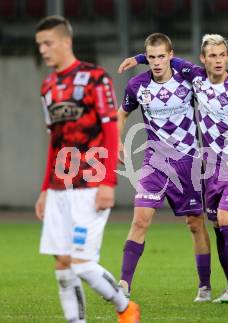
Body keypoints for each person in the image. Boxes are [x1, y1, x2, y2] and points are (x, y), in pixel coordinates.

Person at [119, 34, 228, 303]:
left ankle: (227, 285)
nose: (217, 60)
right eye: (212, 55)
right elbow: (163, 62)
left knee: (214, 221)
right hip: (193, 164)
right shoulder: (195, 79)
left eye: (222, 55)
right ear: (203, 59)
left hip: (217, 163)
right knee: (213, 223)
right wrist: (141, 59)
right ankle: (124, 285)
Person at [34, 16, 140, 322]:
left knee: (81, 262)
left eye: (48, 43)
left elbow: (110, 131)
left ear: (66, 42)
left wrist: (108, 181)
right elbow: (54, 141)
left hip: (91, 183)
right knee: (63, 264)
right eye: (39, 44)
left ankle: (126, 308)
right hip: (58, 188)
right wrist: (44, 190)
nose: (42, 49)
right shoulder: (48, 86)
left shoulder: (95, 78)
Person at [117, 33, 212, 302]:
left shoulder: (187, 79)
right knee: (139, 220)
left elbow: (203, 72)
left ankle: (204, 286)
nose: (157, 63)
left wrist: (138, 57)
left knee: (195, 223)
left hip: (188, 162)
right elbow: (121, 114)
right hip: (155, 162)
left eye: (161, 56)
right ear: (147, 59)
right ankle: (124, 284)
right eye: (151, 57)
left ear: (170, 55)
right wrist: (117, 141)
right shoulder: (137, 85)